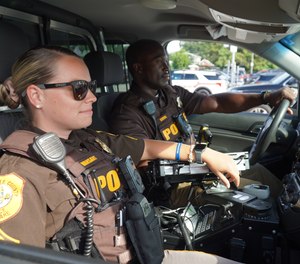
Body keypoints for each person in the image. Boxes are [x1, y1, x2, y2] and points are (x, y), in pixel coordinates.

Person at [0, 46, 242, 264]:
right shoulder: (20, 172)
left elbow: (146, 147)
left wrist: (201, 153)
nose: (93, 97)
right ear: (36, 96)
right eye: (79, 89)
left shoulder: (88, 140)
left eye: (91, 87)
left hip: (143, 252)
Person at [108, 39, 297, 207]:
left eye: (165, 60)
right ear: (138, 68)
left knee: (257, 171)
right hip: (172, 188)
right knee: (259, 193)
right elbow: (144, 165)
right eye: (158, 62)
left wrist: (265, 97)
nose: (166, 67)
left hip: (196, 169)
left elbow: (217, 102)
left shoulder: (169, 94)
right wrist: (199, 160)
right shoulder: (127, 113)